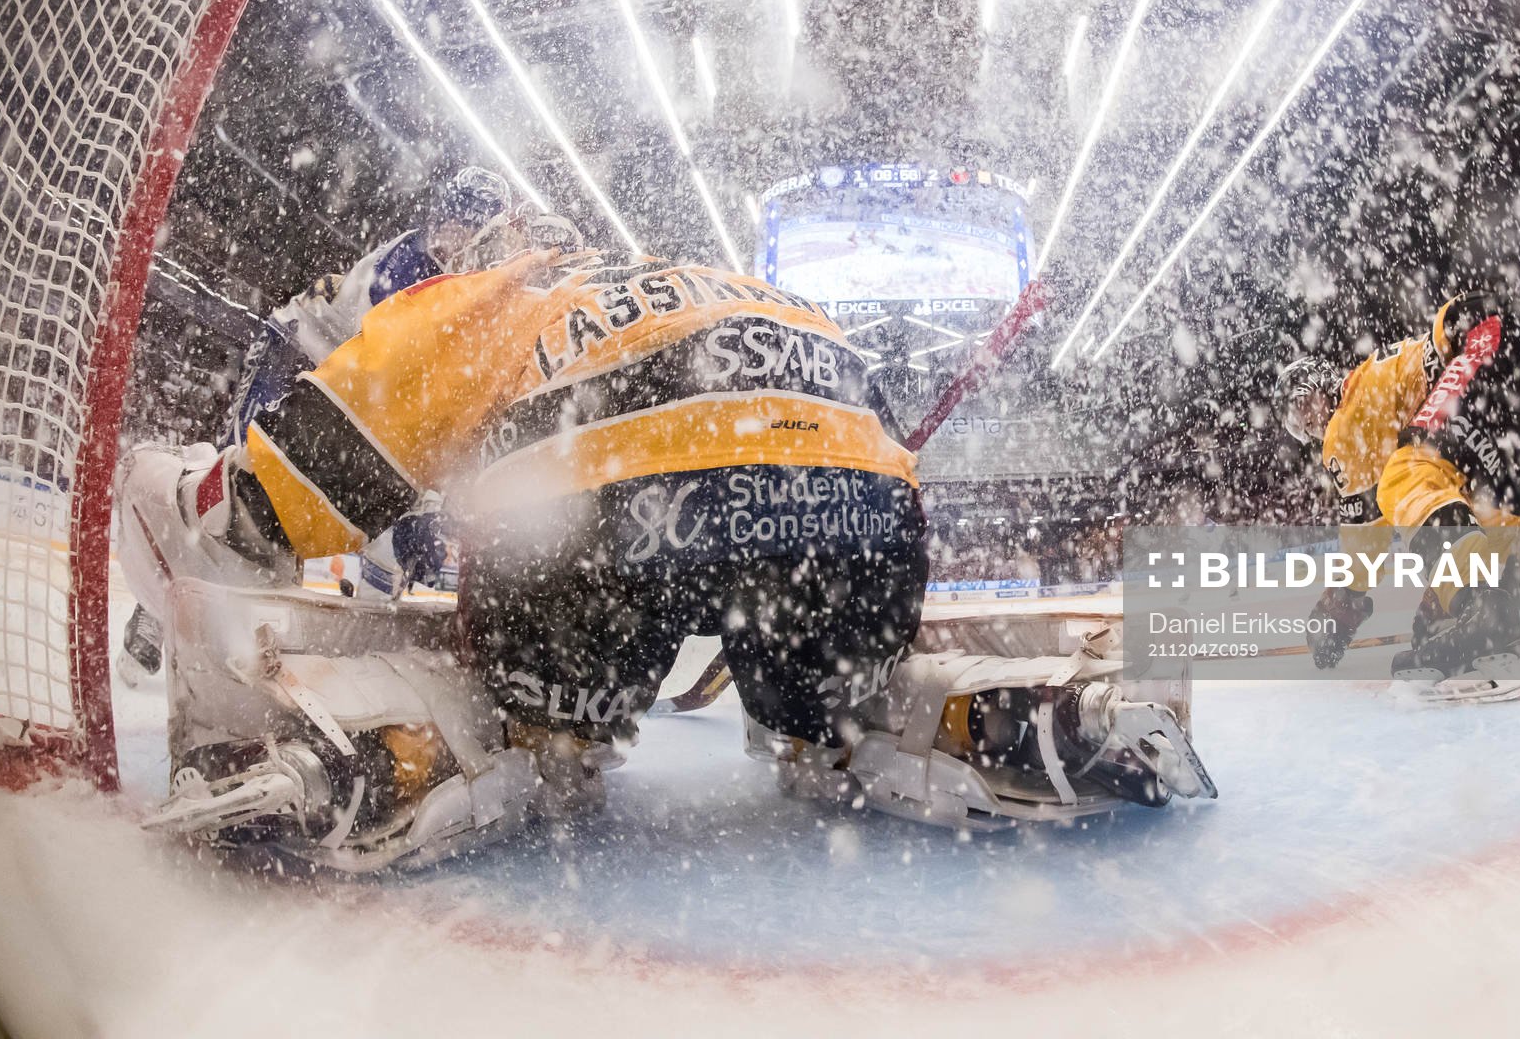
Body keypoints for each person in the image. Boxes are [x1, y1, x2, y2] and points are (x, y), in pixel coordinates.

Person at [120, 226, 1210, 868]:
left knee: (540, 730)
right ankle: (1005, 718)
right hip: (858, 506)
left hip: (608, 515)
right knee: (845, 716)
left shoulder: (507, 289)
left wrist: (230, 507)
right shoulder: (749, 286)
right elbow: (888, 476)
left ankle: (399, 751)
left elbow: (329, 454)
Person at [116, 166, 510, 682]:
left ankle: (226, 629)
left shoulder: (445, 279)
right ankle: (153, 611)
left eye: (468, 230)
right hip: (293, 356)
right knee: (229, 487)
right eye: (455, 226)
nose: (455, 240)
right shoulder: (419, 271)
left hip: (325, 381)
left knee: (267, 519)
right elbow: (399, 382)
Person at [1278, 290, 1520, 696]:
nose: (1308, 428)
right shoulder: (1380, 376)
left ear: (1315, 391)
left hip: (1493, 350)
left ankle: (1484, 611)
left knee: (1404, 475)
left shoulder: (1346, 421)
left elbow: (1366, 542)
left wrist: (1339, 606)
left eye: (1301, 412)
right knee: (1497, 519)